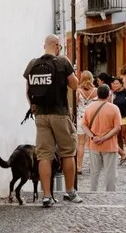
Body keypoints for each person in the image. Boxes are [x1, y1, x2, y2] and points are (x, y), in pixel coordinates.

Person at [23, 34, 82, 208]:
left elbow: (28, 91)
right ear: (57, 45)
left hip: (41, 116)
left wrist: (33, 107)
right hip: (60, 113)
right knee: (67, 152)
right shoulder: (62, 62)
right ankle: (70, 191)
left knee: (44, 156)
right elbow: (74, 85)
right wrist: (70, 67)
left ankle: (47, 196)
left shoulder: (32, 64)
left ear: (44, 46)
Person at [81, 84, 122, 192]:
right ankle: (110, 193)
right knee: (110, 173)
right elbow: (117, 128)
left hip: (94, 144)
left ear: (97, 94)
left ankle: (93, 191)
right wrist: (104, 138)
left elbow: (83, 125)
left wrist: (93, 137)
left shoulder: (89, 108)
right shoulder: (114, 108)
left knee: (94, 171)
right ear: (109, 94)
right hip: (109, 145)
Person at [76, 71, 97, 175]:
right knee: (92, 143)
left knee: (81, 143)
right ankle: (93, 166)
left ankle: (79, 166)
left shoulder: (78, 91)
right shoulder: (96, 91)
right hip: (93, 119)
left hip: (81, 118)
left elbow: (75, 104)